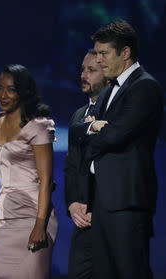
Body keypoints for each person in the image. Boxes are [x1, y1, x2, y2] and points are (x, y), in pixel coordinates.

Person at [70, 20, 163, 279]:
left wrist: (100, 129)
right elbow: (79, 131)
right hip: (101, 202)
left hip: (126, 202)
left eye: (104, 54)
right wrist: (96, 127)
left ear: (125, 53)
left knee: (131, 271)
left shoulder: (145, 87)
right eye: (97, 53)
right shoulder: (109, 91)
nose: (99, 61)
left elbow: (115, 136)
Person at [0, 64, 58, 279]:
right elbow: (2, 169)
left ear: (23, 92)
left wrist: (39, 225)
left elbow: (46, 180)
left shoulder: (38, 126)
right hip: (5, 218)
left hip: (33, 215)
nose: (2, 95)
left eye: (10, 89)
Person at [64, 49, 107, 279]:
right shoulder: (78, 114)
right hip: (82, 220)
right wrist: (72, 203)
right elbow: (71, 166)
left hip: (109, 217)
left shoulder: (117, 111)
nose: (83, 75)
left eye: (91, 70)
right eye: (82, 69)